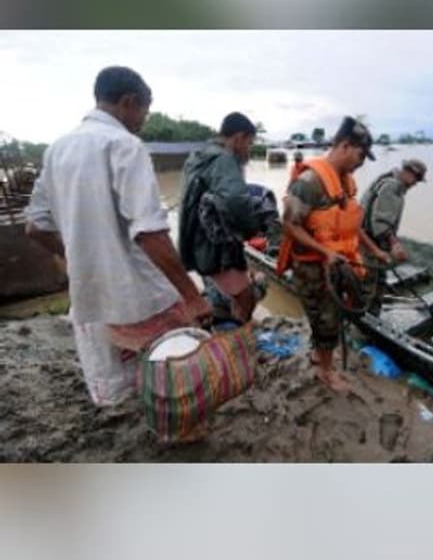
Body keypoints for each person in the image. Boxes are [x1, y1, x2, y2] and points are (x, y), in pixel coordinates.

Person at [24, 66, 211, 406]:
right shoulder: (125, 145)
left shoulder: (56, 151)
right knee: (171, 376)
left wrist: (79, 256)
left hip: (90, 294)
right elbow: (150, 233)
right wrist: (191, 295)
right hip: (139, 297)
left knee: (125, 386)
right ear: (129, 102)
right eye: (144, 112)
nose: (143, 121)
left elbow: (35, 226)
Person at [278, 116, 392, 392]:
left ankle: (321, 354)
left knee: (330, 316)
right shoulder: (309, 182)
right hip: (312, 268)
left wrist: (374, 249)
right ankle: (326, 372)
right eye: (361, 154)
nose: (362, 162)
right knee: (326, 320)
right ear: (343, 145)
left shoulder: (345, 182)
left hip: (338, 263)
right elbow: (290, 224)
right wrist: (325, 252)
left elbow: (350, 224)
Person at [178, 112, 265, 324]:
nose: (248, 149)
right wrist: (252, 229)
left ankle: (225, 319)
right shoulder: (224, 159)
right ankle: (240, 337)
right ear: (238, 138)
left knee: (224, 289)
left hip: (195, 242)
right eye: (249, 143)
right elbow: (236, 200)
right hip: (217, 246)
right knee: (247, 296)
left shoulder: (198, 155)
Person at [359, 158, 427, 315]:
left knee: (378, 280)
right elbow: (381, 223)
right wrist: (394, 244)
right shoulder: (393, 187)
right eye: (416, 179)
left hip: (365, 238)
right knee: (370, 283)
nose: (415, 184)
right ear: (409, 173)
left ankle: (371, 315)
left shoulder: (387, 178)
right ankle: (364, 320)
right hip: (371, 242)